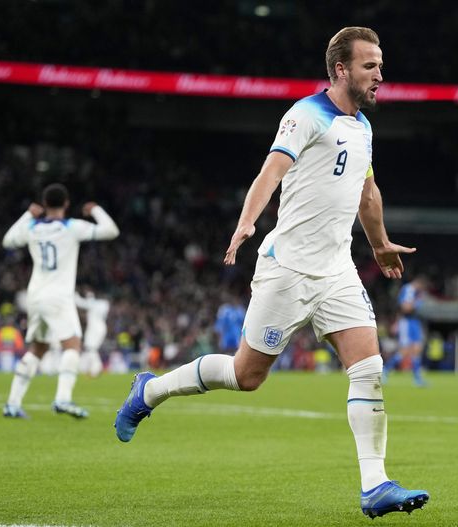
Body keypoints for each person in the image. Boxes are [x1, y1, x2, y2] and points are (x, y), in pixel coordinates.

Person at [114, 27, 429, 518]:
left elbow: (367, 192)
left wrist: (379, 241)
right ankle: (150, 390)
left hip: (337, 271)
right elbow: (270, 174)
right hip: (288, 270)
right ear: (342, 69)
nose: (380, 75)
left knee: (368, 369)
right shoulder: (304, 115)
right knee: (246, 376)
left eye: (381, 65)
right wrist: (245, 224)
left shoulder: (363, 126)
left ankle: (375, 485)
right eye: (370, 66)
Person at [1, 183, 119, 419]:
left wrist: (27, 214)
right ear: (66, 204)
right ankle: (63, 399)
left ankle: (12, 403)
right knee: (72, 345)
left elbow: (7, 241)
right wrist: (95, 209)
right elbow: (111, 231)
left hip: (35, 295)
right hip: (58, 296)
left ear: (44, 205)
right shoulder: (71, 227)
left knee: (38, 348)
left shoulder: (32, 227)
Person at [383, 276, 429, 386]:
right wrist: (418, 301)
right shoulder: (409, 289)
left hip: (414, 321)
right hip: (407, 322)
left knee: (417, 348)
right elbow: (405, 307)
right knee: (405, 351)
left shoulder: (412, 290)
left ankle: (417, 379)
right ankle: (384, 371)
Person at [75, 288, 111, 377]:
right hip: (100, 327)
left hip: (95, 328)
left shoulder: (95, 304)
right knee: (91, 348)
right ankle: (93, 368)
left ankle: (96, 369)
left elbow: (80, 302)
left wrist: (74, 294)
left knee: (90, 348)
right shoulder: (105, 304)